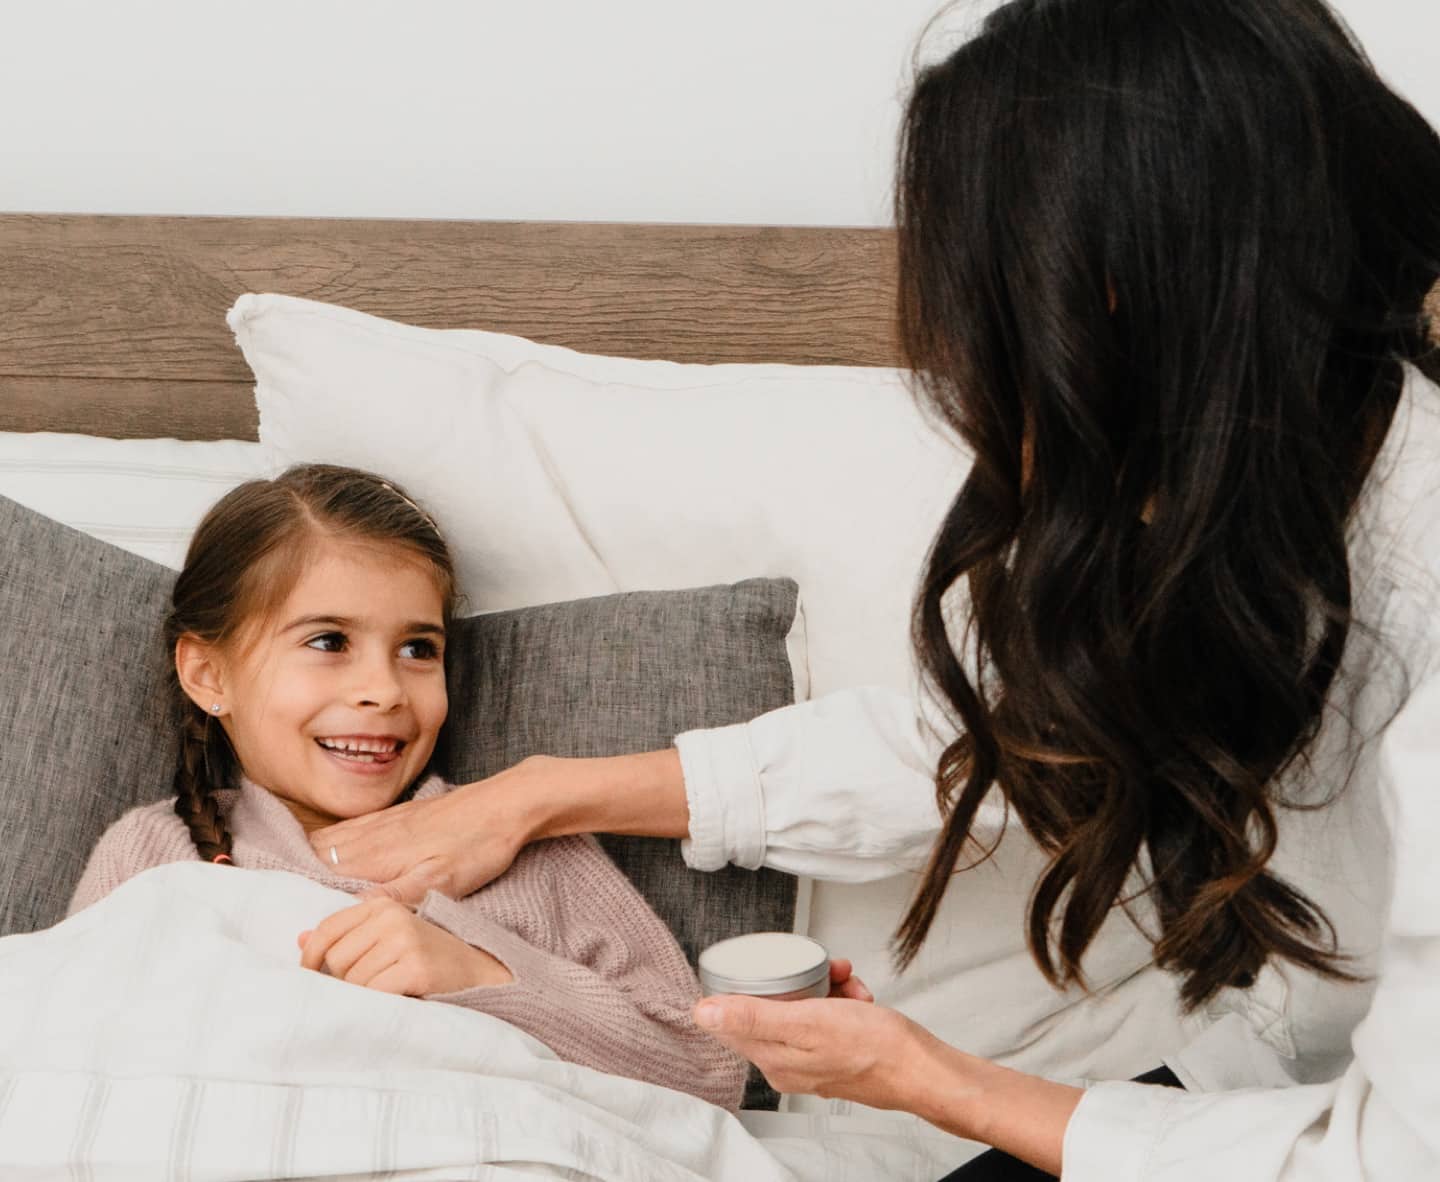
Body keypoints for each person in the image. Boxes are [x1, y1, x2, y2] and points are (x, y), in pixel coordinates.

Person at [305, 0, 1440, 1177]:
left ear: (1127, 300)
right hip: (1266, 1093)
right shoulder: (1260, 485)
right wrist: (544, 794)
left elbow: (1384, 1156)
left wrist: (930, 1080)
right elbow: (1004, 743)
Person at [66, 463, 748, 1111]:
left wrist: (479, 974)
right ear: (209, 675)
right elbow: (58, 1060)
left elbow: (706, 1074)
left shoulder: (532, 851)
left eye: (419, 649)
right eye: (329, 642)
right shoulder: (154, 856)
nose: (384, 691)